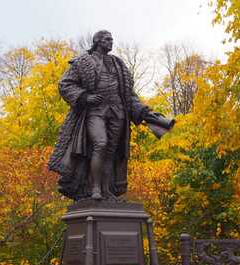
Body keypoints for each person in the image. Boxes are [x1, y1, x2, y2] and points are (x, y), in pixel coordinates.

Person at [48, 30, 174, 201]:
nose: (111, 42)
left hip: (117, 111)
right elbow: (65, 84)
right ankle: (95, 189)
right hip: (95, 111)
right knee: (100, 143)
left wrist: (145, 112)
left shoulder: (118, 64)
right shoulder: (82, 62)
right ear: (97, 41)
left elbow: (129, 95)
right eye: (108, 39)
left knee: (111, 152)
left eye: (112, 39)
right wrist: (85, 97)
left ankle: (107, 191)